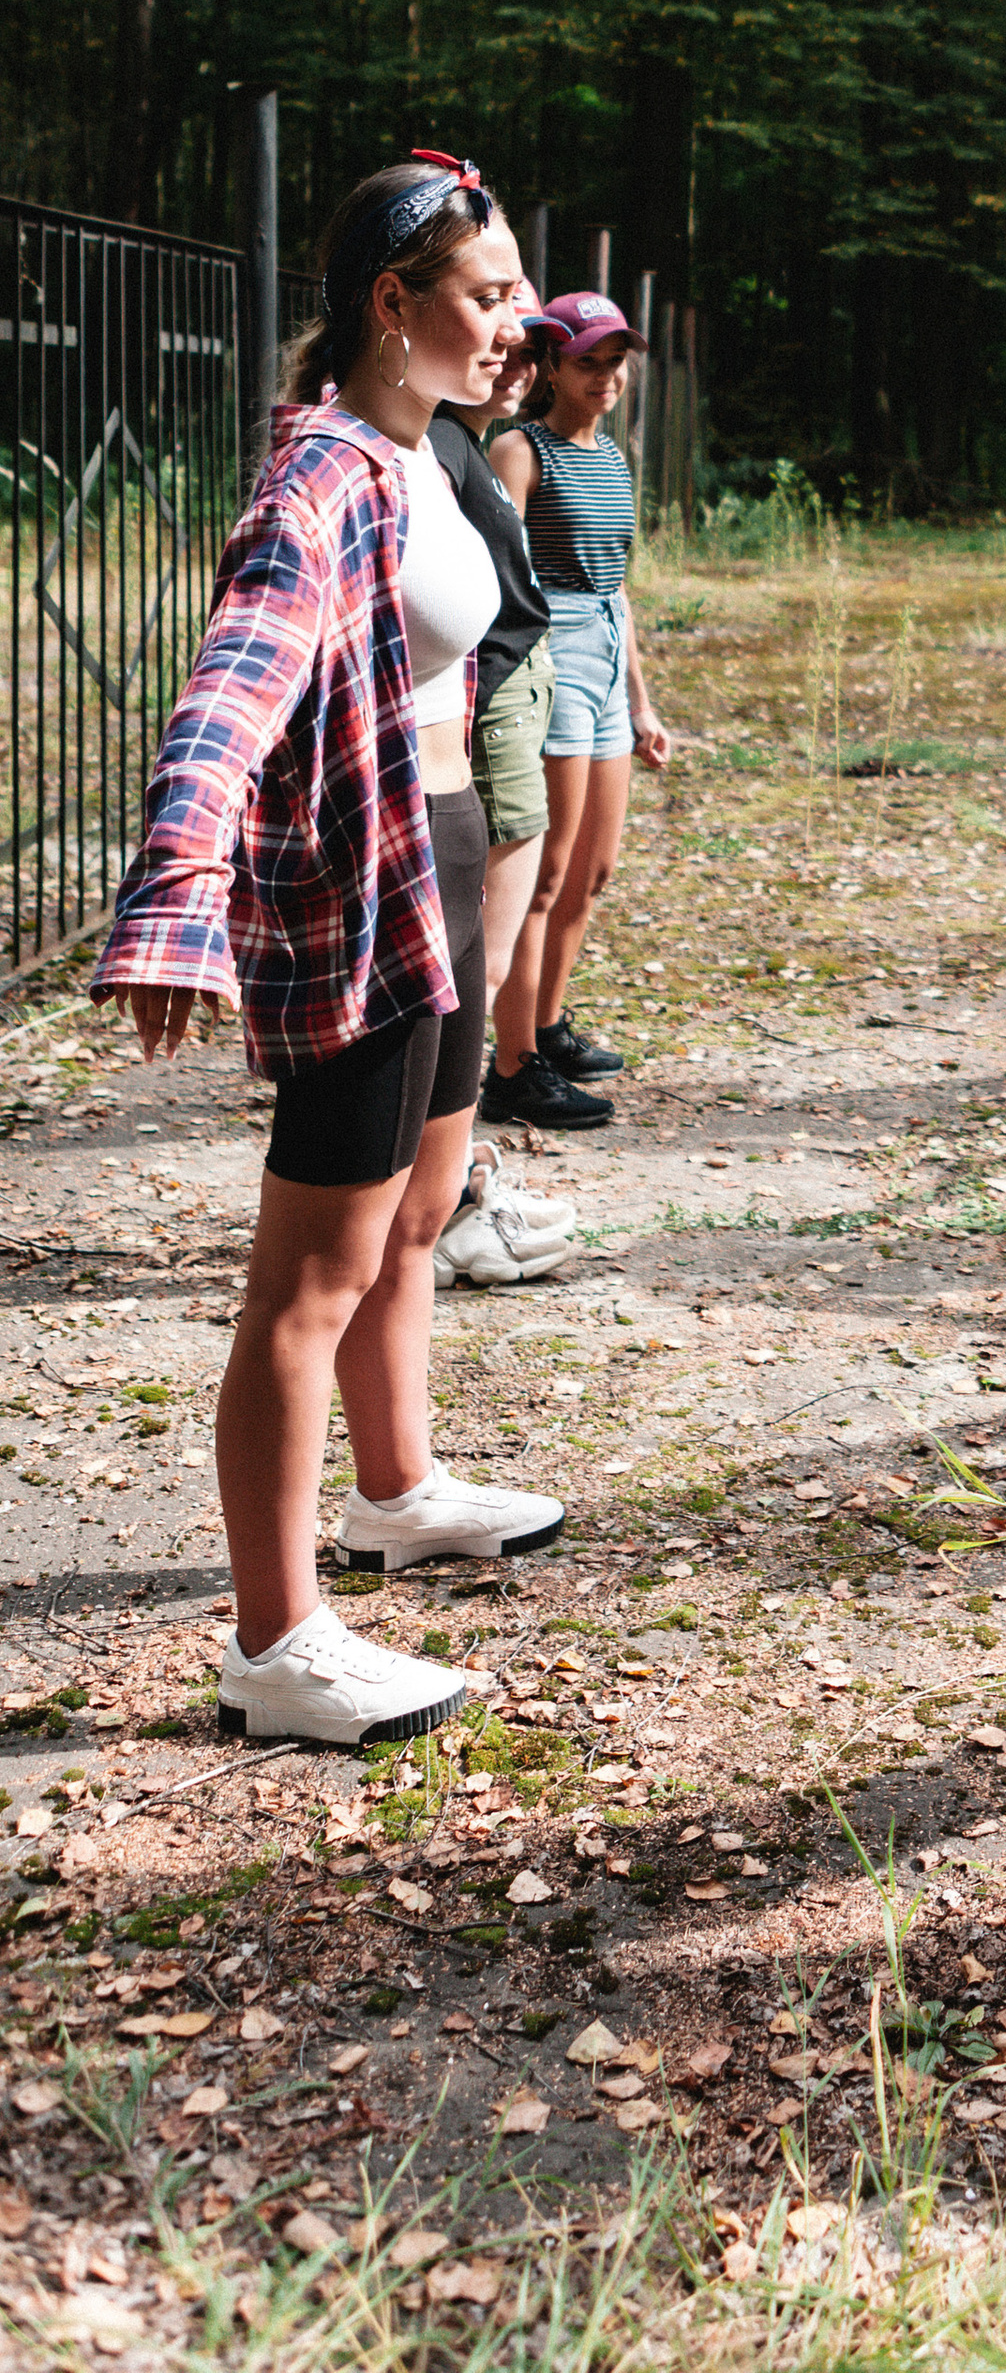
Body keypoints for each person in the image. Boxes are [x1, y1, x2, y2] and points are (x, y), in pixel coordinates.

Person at [89, 154, 568, 1749]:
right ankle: (276, 1639)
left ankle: (400, 1489)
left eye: (515, 295)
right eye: (490, 296)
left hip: (437, 856)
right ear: (393, 303)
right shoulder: (326, 477)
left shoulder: (428, 452)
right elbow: (234, 685)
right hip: (356, 894)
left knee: (422, 1210)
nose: (518, 324)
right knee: (312, 1275)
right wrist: (176, 888)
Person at [428, 286, 588, 1277]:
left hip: (495, 707)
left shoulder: (452, 447)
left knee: (471, 975)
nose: (515, 358)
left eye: (530, 347)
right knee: (469, 978)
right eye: (499, 325)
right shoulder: (441, 452)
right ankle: (447, 1209)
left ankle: (450, 1196)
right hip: (476, 723)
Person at [484, 288, 671, 1121]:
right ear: (550, 364)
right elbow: (500, 575)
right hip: (549, 648)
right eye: (588, 361)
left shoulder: (610, 457)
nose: (606, 376)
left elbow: (617, 586)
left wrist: (642, 701)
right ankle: (513, 1065)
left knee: (593, 871)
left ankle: (549, 1025)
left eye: (615, 361)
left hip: (602, 651)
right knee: (543, 874)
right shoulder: (520, 450)